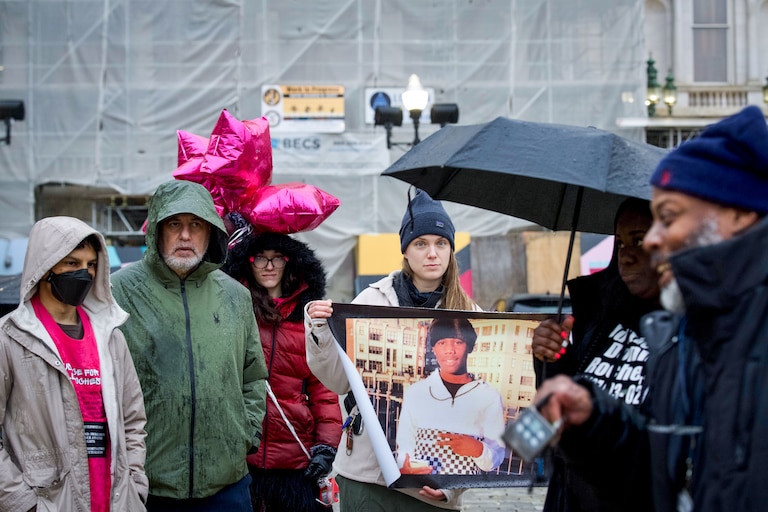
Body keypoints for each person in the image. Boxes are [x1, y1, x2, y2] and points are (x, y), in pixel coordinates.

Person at [533, 105, 768, 512]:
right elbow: (668, 476)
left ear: (740, 213)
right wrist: (592, 423)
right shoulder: (687, 338)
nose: (653, 241)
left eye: (668, 218)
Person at [305, 189, 478, 511]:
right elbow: (338, 381)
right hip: (367, 475)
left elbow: (480, 416)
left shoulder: (470, 314)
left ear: (451, 250)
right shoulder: (371, 302)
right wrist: (319, 329)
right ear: (406, 251)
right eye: (421, 243)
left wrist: (454, 488)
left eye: (441, 243)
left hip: (431, 482)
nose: (432, 253)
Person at [110, 180, 268, 511]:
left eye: (196, 224)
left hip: (227, 484)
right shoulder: (119, 291)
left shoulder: (235, 296)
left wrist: (244, 436)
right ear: (156, 231)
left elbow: (253, 376)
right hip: (147, 483)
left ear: (210, 232)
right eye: (174, 224)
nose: (185, 235)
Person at [0, 216, 148, 512]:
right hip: (49, 502)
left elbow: (133, 421)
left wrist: (136, 484)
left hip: (115, 502)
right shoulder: (10, 338)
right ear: (45, 265)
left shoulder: (111, 337)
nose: (84, 273)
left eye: (91, 264)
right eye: (71, 263)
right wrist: (23, 504)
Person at [531, 198, 660, 511]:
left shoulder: (688, 332)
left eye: (640, 240)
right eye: (620, 243)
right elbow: (558, 416)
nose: (626, 256)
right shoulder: (597, 314)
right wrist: (552, 356)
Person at [221, 230, 342, 512]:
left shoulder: (309, 320)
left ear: (290, 262)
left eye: (278, 258)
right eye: (260, 258)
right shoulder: (233, 314)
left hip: (295, 463)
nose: (269, 266)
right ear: (247, 263)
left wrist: (325, 446)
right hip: (240, 460)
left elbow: (324, 391)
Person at [396, 317, 506, 476]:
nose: (450, 350)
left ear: (469, 346)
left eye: (458, 342)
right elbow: (405, 447)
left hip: (464, 492)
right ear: (433, 348)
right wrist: (405, 470)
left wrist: (478, 450)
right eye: (442, 343)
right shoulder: (416, 392)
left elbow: (497, 455)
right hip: (422, 487)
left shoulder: (489, 397)